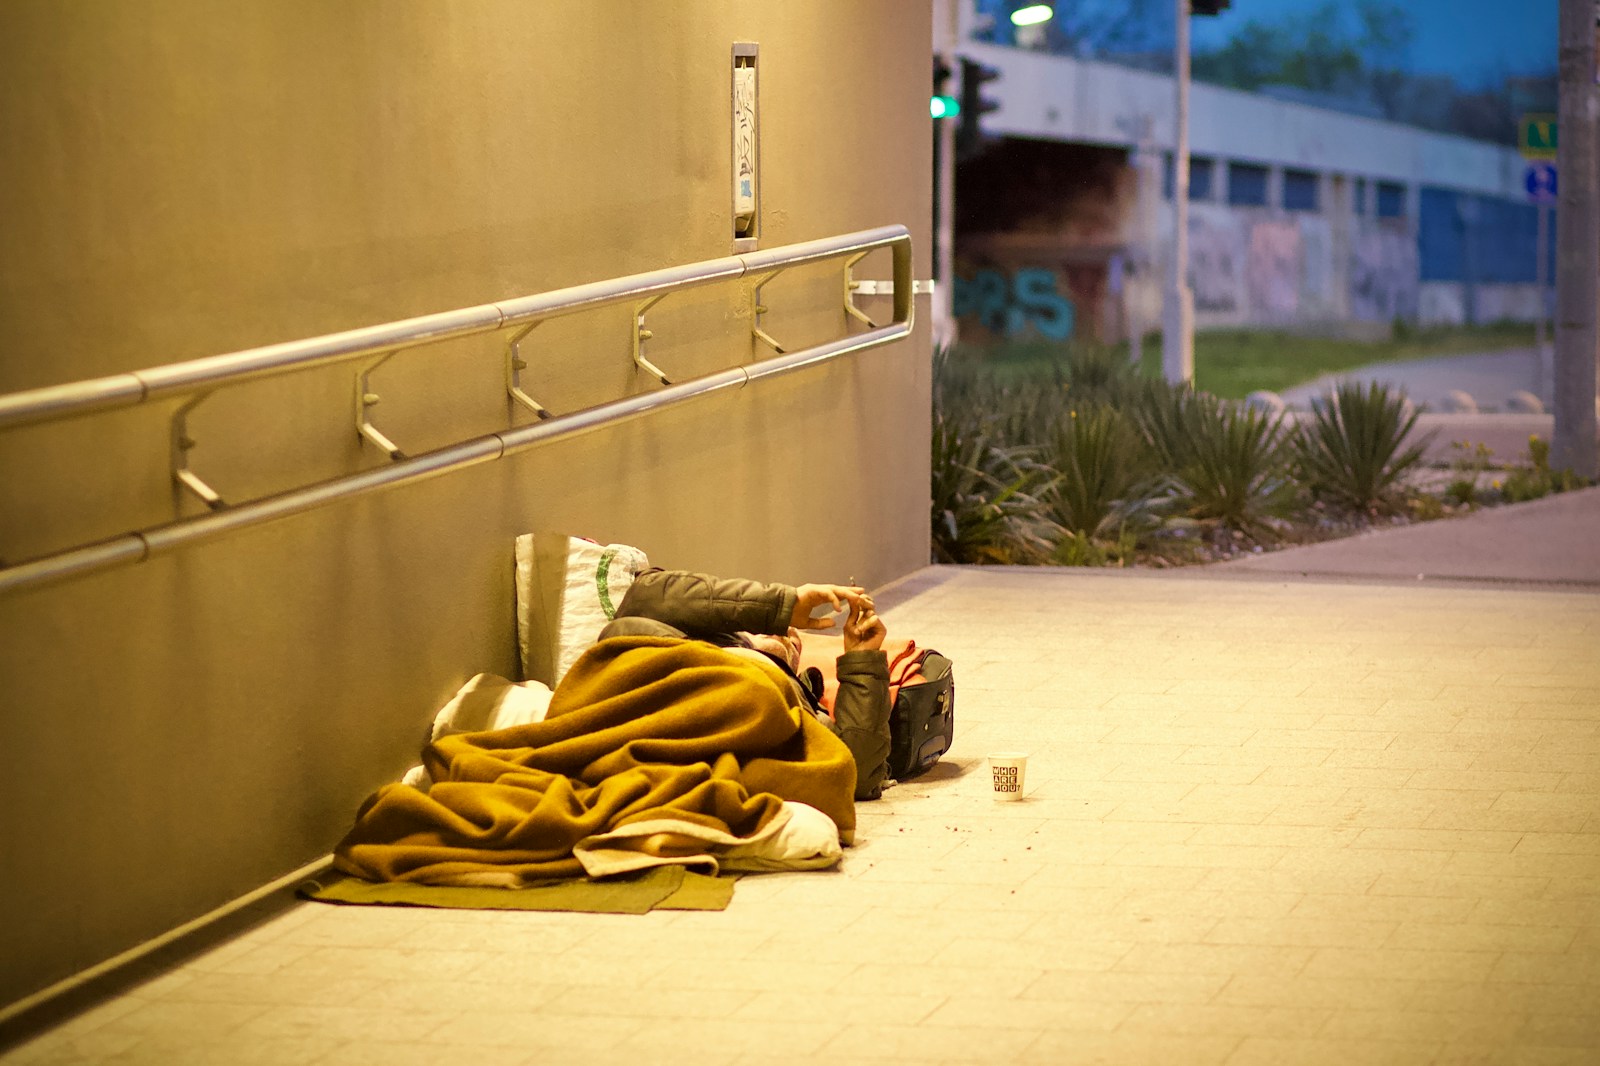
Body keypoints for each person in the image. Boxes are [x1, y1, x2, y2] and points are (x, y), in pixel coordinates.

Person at [597, 569, 893, 800]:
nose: (787, 635)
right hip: (660, 712)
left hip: (715, 746)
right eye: (781, 630)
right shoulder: (670, 638)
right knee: (624, 631)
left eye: (793, 643)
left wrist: (863, 659)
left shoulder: (797, 703)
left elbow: (855, 770)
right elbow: (644, 597)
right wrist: (782, 605)